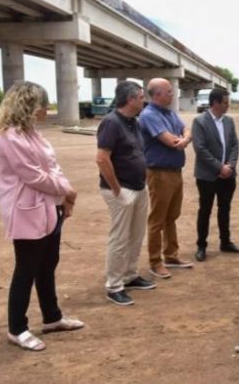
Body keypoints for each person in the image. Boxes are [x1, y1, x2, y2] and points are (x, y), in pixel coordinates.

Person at [0, 81, 83, 351]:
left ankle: (52, 317)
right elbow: (32, 175)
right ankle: (16, 328)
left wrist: (64, 196)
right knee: (26, 269)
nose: (47, 110)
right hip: (27, 212)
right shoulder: (9, 137)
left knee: (47, 264)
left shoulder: (32, 133)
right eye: (43, 105)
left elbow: (52, 167)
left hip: (49, 207)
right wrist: (67, 190)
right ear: (29, 106)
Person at [96, 81, 156, 307]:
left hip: (139, 187)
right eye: (141, 97)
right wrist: (117, 190)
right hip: (121, 190)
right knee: (120, 238)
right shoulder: (111, 123)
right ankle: (114, 285)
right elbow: (102, 158)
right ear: (130, 100)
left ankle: (130, 275)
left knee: (136, 234)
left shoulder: (134, 122)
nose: (144, 100)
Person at [139, 78, 194, 279]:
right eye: (169, 91)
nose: (173, 94)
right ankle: (155, 261)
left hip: (174, 171)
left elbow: (186, 131)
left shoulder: (169, 112)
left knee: (172, 216)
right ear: (157, 95)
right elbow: (171, 141)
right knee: (158, 219)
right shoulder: (149, 115)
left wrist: (185, 138)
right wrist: (181, 139)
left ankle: (171, 255)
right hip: (159, 173)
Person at [191, 88, 239, 262]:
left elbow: (235, 145)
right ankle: (201, 246)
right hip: (207, 176)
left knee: (225, 209)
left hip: (228, 175)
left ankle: (225, 242)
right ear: (215, 103)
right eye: (225, 103)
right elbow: (200, 148)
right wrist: (219, 167)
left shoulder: (229, 121)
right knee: (205, 210)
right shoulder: (200, 121)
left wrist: (230, 165)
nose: (228, 106)